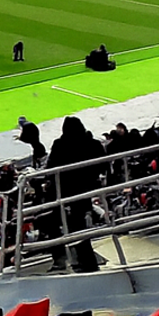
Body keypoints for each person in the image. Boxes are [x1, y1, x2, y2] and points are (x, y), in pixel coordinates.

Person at [45, 116, 108, 273]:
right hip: (86, 190)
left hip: (66, 192)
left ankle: (73, 260)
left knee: (60, 223)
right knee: (76, 224)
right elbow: (104, 165)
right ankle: (84, 261)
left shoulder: (60, 145)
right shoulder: (93, 144)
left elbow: (50, 169)